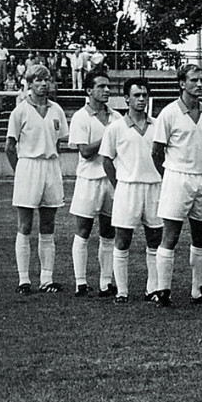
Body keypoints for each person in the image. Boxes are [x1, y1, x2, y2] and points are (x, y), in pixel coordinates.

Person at [151, 64, 202, 307]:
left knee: (201, 236)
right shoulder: (168, 113)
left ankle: (198, 290)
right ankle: (163, 290)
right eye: (194, 80)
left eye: (201, 80)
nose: (199, 84)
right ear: (181, 83)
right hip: (177, 177)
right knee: (171, 235)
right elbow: (157, 152)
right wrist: (168, 175)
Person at [5, 64, 69, 294]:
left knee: (48, 224)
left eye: (47, 80)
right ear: (29, 83)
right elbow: (9, 147)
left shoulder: (57, 110)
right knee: (25, 225)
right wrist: (20, 170)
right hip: (28, 166)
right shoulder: (20, 111)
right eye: (38, 80)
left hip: (50, 166)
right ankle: (24, 280)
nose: (43, 84)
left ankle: (47, 278)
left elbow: (59, 142)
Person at [100, 77, 163, 304]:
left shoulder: (158, 125)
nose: (141, 99)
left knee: (155, 239)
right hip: (127, 188)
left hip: (154, 188)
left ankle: (153, 289)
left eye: (145, 95)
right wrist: (120, 184)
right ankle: (122, 291)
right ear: (126, 98)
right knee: (122, 239)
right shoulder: (115, 128)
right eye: (136, 95)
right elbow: (106, 160)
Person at [68, 69, 122, 297]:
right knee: (83, 230)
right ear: (89, 90)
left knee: (109, 232)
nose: (106, 90)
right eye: (101, 86)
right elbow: (85, 151)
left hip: (110, 179)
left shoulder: (117, 117)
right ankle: (80, 281)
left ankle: (105, 282)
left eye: (108, 86)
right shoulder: (81, 117)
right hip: (88, 180)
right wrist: (108, 136)